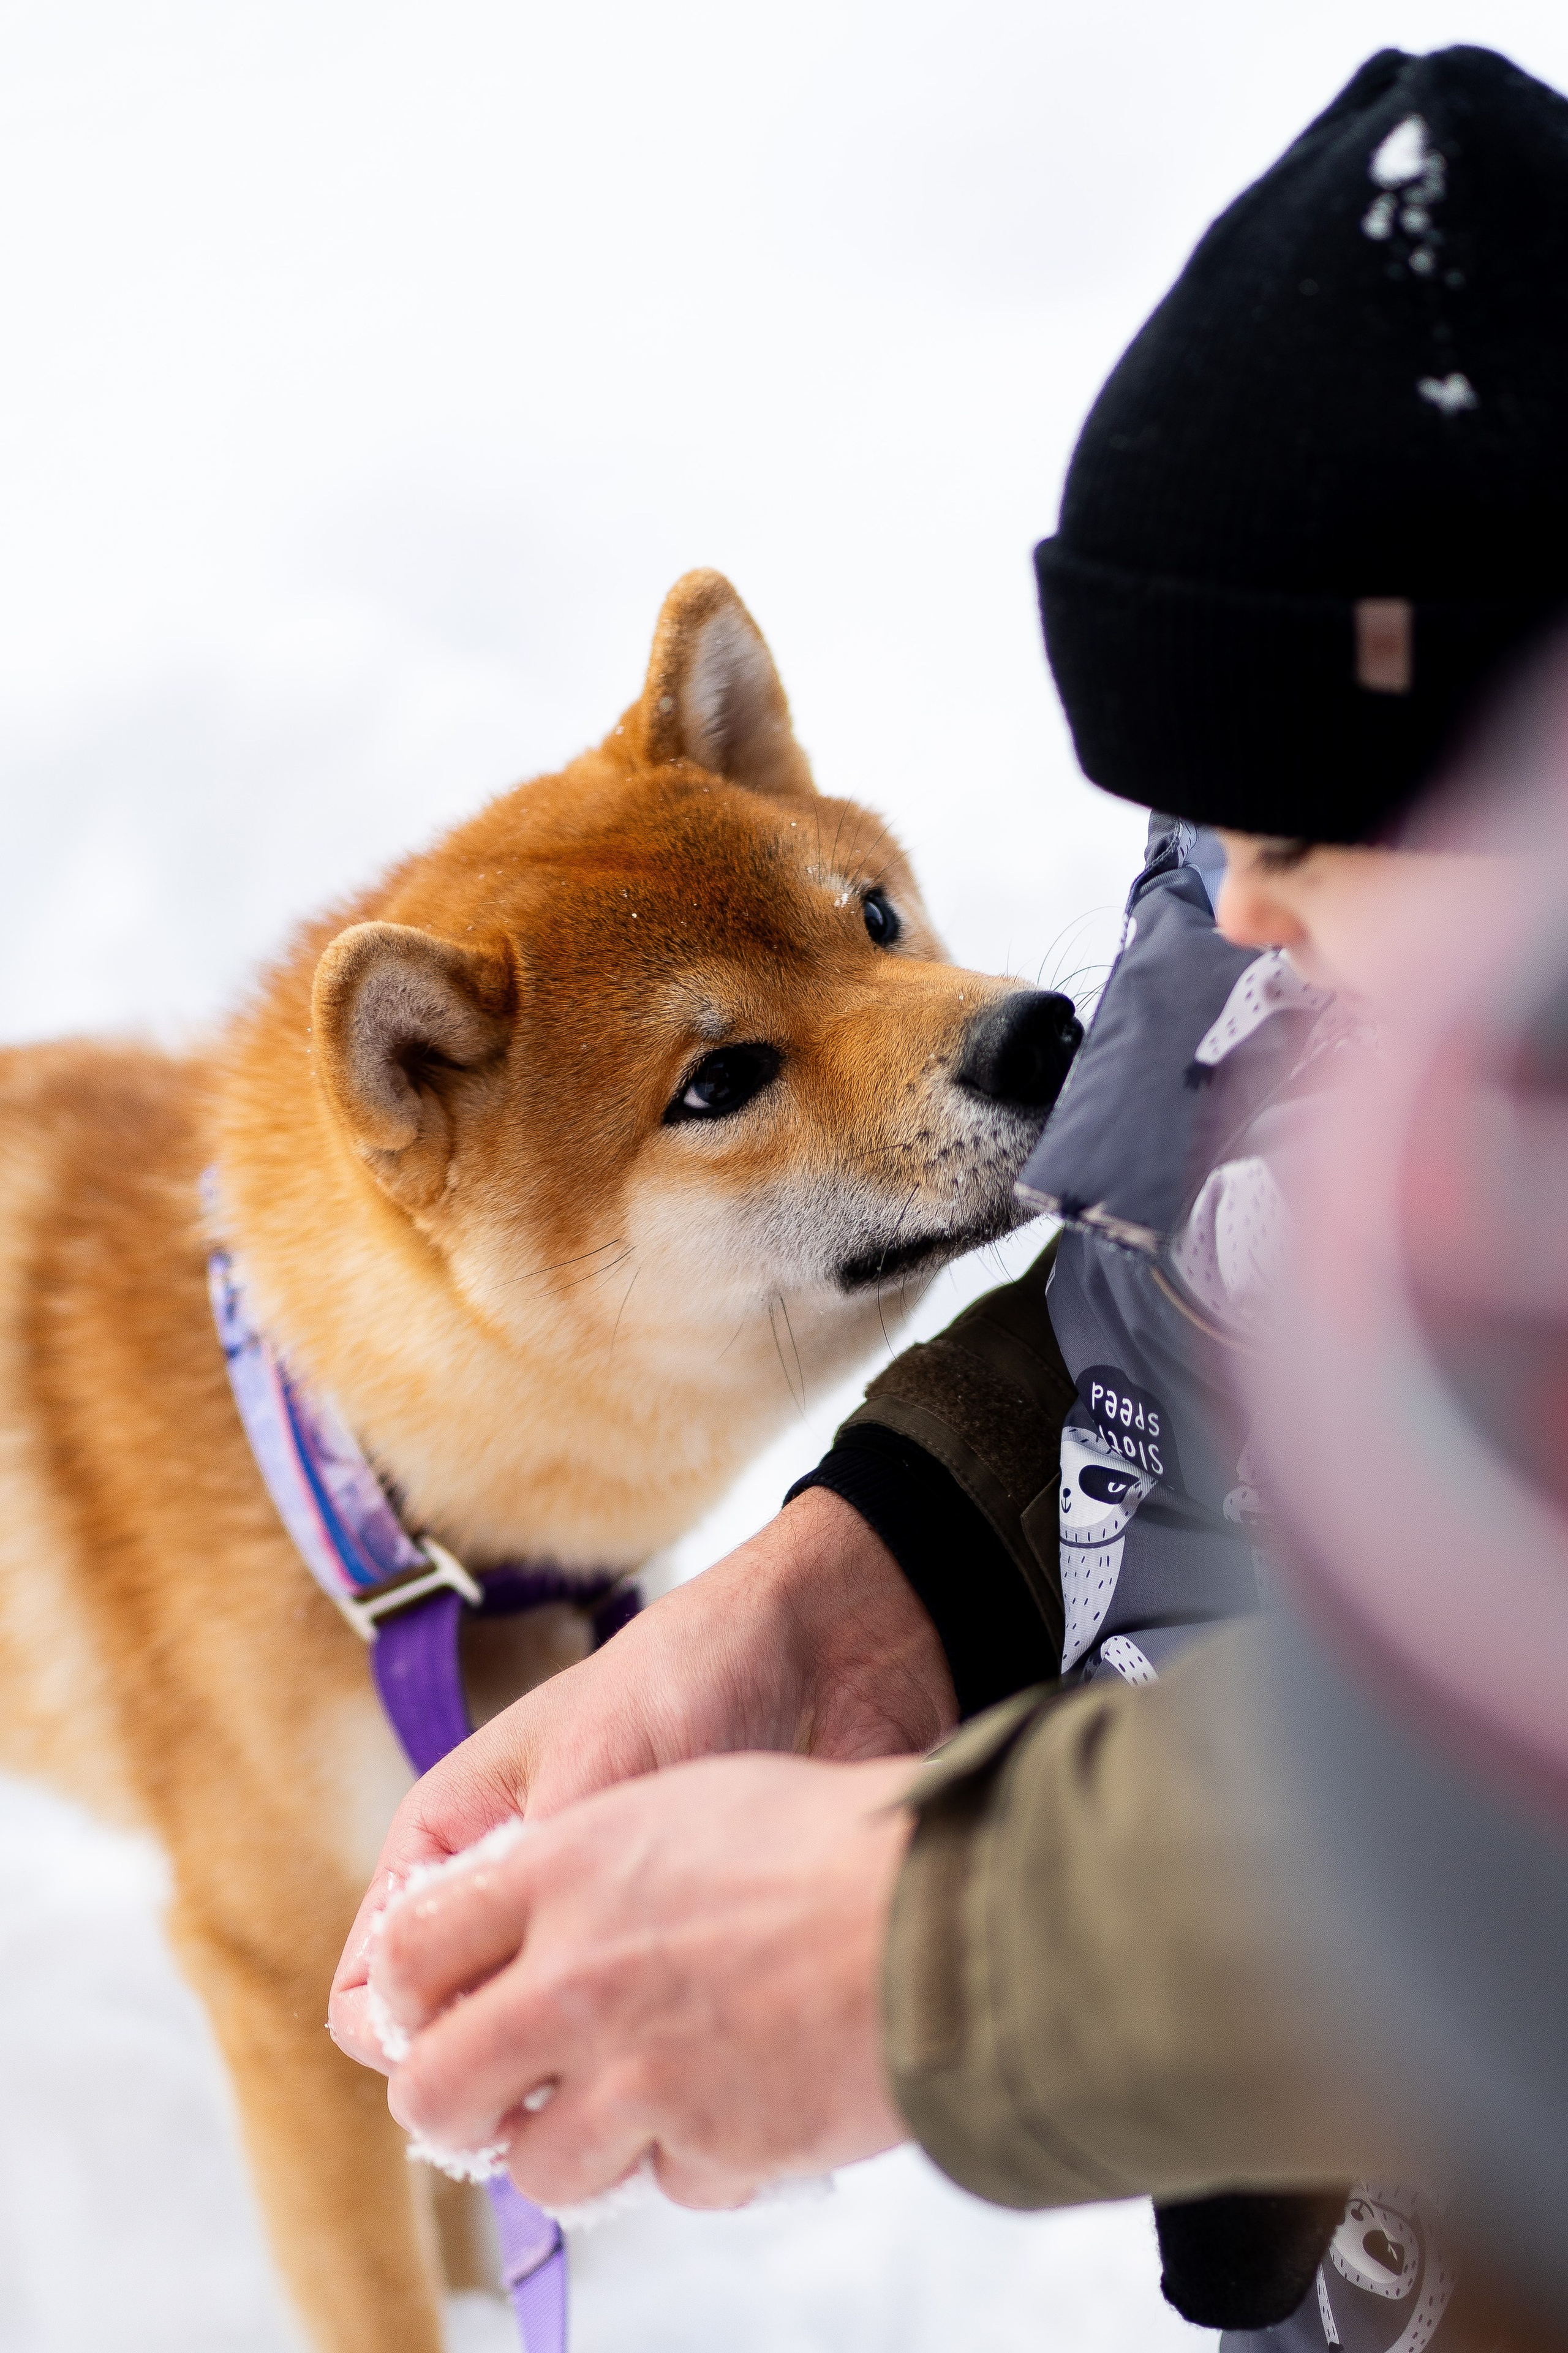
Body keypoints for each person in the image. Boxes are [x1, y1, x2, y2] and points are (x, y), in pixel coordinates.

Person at [330, 43, 1568, 2346]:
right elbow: (1240, 1208)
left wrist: (932, 1948)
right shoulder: (1403, 816)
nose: (1243, 921)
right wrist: (916, 1564)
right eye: (1196, 840)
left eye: (1292, 833)